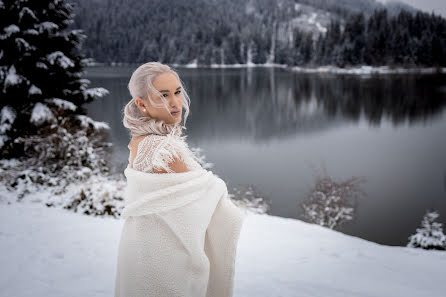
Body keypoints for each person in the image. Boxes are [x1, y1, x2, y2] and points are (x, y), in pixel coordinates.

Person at [114, 62, 246, 297]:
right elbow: (202, 201)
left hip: (140, 253)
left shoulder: (140, 140)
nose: (175, 103)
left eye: (177, 92)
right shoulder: (164, 149)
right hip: (166, 265)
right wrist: (216, 189)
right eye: (163, 95)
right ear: (141, 104)